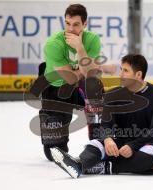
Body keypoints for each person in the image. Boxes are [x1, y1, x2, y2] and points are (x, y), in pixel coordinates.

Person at [50, 54, 153, 178]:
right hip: (122, 143)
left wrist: (132, 146)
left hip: (149, 144)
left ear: (138, 75)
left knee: (150, 156)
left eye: (125, 71)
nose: (120, 75)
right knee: (95, 144)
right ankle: (79, 164)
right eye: (121, 70)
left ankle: (102, 167)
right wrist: (108, 139)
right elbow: (106, 124)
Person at [39, 4, 116, 162]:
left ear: (84, 24)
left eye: (76, 25)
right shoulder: (54, 44)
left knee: (94, 85)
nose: (70, 29)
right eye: (67, 23)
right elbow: (71, 79)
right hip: (55, 88)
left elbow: (89, 74)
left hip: (80, 87)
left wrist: (80, 48)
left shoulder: (92, 40)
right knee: (54, 154)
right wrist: (97, 67)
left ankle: (97, 139)